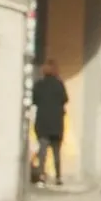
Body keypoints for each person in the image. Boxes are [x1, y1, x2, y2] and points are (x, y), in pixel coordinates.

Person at [30, 60, 68, 188]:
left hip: (43, 123)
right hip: (56, 124)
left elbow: (34, 100)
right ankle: (58, 177)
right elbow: (65, 99)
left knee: (43, 152)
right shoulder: (59, 85)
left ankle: (41, 177)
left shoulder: (39, 85)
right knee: (56, 152)